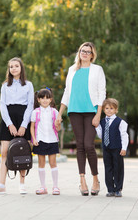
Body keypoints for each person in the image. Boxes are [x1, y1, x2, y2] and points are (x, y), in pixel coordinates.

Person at [55, 42, 106, 196]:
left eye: (88, 51)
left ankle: (95, 179)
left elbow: (101, 92)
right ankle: (82, 180)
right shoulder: (72, 70)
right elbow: (67, 92)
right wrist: (59, 113)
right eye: (82, 50)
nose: (84, 53)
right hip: (75, 111)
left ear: (92, 54)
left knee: (89, 145)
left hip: (91, 111)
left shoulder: (97, 70)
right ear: (79, 52)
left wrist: (98, 114)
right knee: (80, 146)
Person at [0, 57, 34, 195]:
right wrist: (10, 124)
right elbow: (2, 105)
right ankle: (1, 185)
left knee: (22, 151)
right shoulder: (5, 85)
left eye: (16, 66)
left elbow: (30, 105)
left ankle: (22, 184)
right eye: (11, 66)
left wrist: (24, 125)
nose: (13, 68)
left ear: (21, 68)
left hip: (23, 119)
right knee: (4, 153)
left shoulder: (28, 85)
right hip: (9, 120)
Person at [30, 88, 61, 195]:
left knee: (53, 163)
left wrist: (58, 124)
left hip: (52, 140)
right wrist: (33, 139)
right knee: (41, 164)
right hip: (40, 140)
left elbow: (58, 128)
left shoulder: (54, 112)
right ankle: (43, 187)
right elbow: (32, 127)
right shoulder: (35, 112)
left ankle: (55, 187)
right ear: (38, 99)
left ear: (51, 99)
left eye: (47, 98)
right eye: (42, 98)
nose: (45, 100)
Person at [95, 98, 129, 197]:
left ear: (116, 110)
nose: (109, 110)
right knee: (108, 168)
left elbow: (124, 135)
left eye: (111, 108)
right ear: (103, 110)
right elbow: (101, 135)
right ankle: (110, 189)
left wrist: (124, 148)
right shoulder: (102, 122)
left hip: (117, 149)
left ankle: (118, 189)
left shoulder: (120, 122)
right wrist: (97, 127)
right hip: (106, 149)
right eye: (106, 108)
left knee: (118, 168)